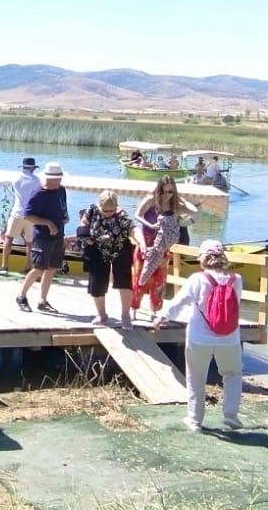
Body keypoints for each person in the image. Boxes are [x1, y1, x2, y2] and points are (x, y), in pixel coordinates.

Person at [154, 238, 244, 431]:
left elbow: (179, 302)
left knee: (196, 377)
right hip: (229, 337)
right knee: (232, 374)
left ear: (203, 258)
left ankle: (195, 420)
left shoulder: (197, 279)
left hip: (199, 337)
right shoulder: (236, 280)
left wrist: (162, 317)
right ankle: (231, 415)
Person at [131, 175, 199, 317]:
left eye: (170, 192)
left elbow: (194, 212)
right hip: (147, 243)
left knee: (159, 280)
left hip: (162, 246)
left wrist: (181, 199)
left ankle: (154, 312)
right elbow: (137, 215)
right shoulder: (151, 199)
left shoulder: (174, 205)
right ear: (159, 189)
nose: (167, 195)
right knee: (140, 277)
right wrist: (152, 225)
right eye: (164, 191)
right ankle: (134, 310)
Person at [14, 161, 68, 314]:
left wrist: (65, 216)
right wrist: (48, 223)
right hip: (42, 237)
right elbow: (28, 216)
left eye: (59, 178)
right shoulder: (39, 194)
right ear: (48, 178)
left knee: (51, 268)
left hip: (58, 236)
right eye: (55, 178)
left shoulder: (61, 190)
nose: (58, 181)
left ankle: (42, 300)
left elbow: (62, 207)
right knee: (38, 269)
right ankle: (21, 296)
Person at [75, 189, 135, 325]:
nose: (108, 214)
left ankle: (126, 315)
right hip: (97, 248)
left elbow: (132, 229)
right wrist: (86, 237)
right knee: (97, 281)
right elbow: (83, 224)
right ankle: (102, 315)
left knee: (124, 280)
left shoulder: (121, 215)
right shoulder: (92, 210)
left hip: (119, 247)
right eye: (105, 211)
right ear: (99, 206)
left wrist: (142, 243)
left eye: (111, 211)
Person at [0, 157, 41, 275]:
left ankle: (4, 265)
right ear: (33, 168)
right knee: (29, 242)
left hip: (17, 213)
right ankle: (29, 266)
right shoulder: (37, 181)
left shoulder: (16, 178)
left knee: (8, 238)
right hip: (31, 215)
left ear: (23, 167)